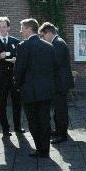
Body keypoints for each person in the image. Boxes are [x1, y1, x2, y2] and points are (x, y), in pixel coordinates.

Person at [14, 18, 58, 158]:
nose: (20, 31)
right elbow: (54, 68)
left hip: (30, 92)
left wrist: (18, 86)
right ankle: (45, 150)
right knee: (45, 120)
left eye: (22, 28)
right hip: (46, 91)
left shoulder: (23, 46)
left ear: (28, 29)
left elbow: (18, 70)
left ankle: (40, 149)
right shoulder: (49, 46)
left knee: (33, 122)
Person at [0, 16, 24, 137]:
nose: (2, 29)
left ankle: (18, 127)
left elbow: (21, 58)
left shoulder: (16, 41)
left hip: (14, 78)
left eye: (4, 26)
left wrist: (16, 60)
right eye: (0, 26)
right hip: (0, 78)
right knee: (1, 104)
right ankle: (5, 129)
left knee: (17, 103)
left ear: (8, 27)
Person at [38, 22, 74, 144]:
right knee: (58, 109)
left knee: (60, 110)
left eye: (42, 36)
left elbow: (55, 63)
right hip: (59, 82)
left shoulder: (57, 43)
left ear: (49, 32)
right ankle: (59, 130)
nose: (42, 38)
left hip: (61, 83)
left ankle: (62, 135)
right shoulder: (56, 42)